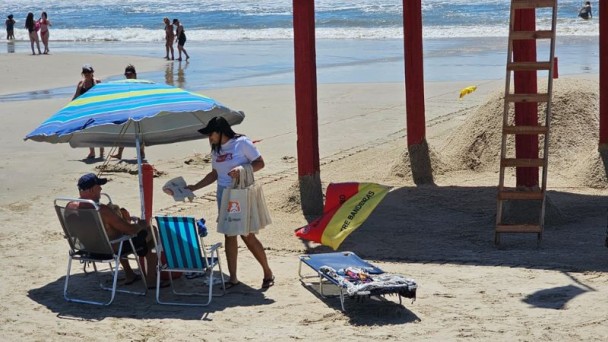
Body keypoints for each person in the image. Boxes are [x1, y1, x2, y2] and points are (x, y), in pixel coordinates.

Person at [186, 116, 274, 290]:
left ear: (219, 132)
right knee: (229, 234)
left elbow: (260, 163)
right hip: (223, 195)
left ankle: (267, 272)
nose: (209, 138)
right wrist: (194, 187)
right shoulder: (216, 149)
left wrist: (242, 169)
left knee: (247, 234)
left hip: (240, 193)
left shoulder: (241, 143)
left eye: (210, 134)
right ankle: (233, 277)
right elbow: (214, 174)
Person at [67, 173, 163, 287]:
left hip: (86, 249)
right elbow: (130, 230)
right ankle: (151, 280)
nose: (101, 189)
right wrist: (140, 224)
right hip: (108, 250)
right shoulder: (101, 210)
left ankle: (129, 274)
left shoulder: (70, 207)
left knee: (115, 232)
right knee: (152, 230)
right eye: (99, 186)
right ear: (92, 189)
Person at [111, 65, 145, 160]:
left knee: (139, 133)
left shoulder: (139, 84)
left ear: (134, 74)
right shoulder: (125, 84)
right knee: (123, 133)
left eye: (129, 74)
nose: (128, 76)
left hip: (138, 111)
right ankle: (119, 153)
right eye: (126, 74)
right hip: (126, 111)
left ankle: (142, 153)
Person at [72, 64, 104, 160]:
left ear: (92, 72)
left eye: (88, 72)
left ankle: (102, 153)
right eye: (85, 72)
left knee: (98, 131)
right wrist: (70, 106)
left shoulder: (97, 82)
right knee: (88, 131)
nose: (87, 74)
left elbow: (103, 95)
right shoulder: (81, 84)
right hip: (85, 111)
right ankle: (92, 152)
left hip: (96, 110)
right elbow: (76, 96)